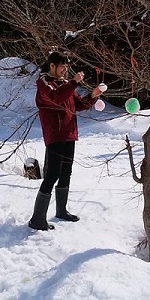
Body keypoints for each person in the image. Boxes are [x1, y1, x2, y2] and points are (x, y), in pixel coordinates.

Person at [28, 51, 102, 230]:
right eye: (62, 66)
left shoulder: (65, 85)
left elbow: (78, 104)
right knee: (53, 173)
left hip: (69, 133)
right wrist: (74, 82)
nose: (65, 70)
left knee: (66, 171)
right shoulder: (44, 83)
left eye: (67, 67)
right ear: (52, 66)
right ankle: (37, 219)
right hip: (55, 134)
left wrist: (93, 96)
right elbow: (55, 97)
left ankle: (61, 210)